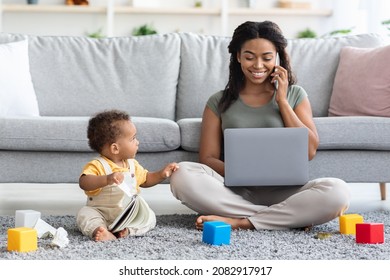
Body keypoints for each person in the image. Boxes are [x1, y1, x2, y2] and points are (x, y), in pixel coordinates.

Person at [170, 21, 350, 231]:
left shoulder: (295, 95)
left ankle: (241, 221)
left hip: (286, 191)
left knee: (338, 191)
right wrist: (242, 172)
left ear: (277, 57)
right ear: (238, 57)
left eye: (266, 58)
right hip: (235, 191)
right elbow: (207, 158)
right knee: (181, 174)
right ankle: (285, 217)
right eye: (249, 57)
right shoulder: (219, 101)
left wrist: (282, 101)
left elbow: (309, 150)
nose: (258, 65)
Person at [77, 109, 179, 241]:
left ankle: (126, 231)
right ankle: (99, 230)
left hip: (127, 215)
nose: (137, 142)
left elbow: (146, 179)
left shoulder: (132, 165)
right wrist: (106, 179)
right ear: (115, 148)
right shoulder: (98, 165)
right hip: (100, 212)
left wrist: (162, 174)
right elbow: (84, 182)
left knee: (150, 217)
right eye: (133, 139)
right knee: (84, 215)